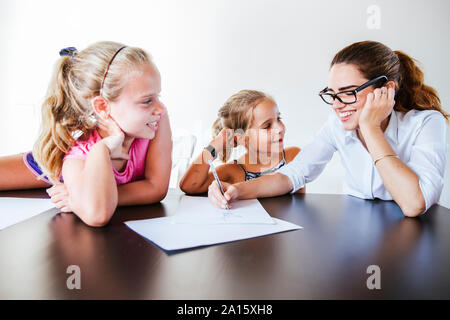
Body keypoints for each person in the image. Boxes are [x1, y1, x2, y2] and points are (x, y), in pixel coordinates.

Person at [208, 41, 448, 217]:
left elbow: (414, 204)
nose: (336, 105)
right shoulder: (337, 127)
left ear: (386, 89)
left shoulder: (427, 123)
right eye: (332, 95)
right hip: (358, 234)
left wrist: (371, 127)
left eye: (348, 93)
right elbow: (292, 175)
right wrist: (238, 190)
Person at [0, 41, 172, 226]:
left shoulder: (156, 120)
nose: (160, 108)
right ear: (102, 106)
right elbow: (97, 214)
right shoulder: (77, 153)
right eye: (147, 100)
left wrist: (80, 198)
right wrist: (102, 149)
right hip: (52, 165)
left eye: (158, 96)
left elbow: (156, 188)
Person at [179, 89, 304, 197]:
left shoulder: (292, 156)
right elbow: (189, 186)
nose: (280, 128)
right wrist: (214, 146)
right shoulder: (234, 171)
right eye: (267, 126)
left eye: (279, 119)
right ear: (242, 138)